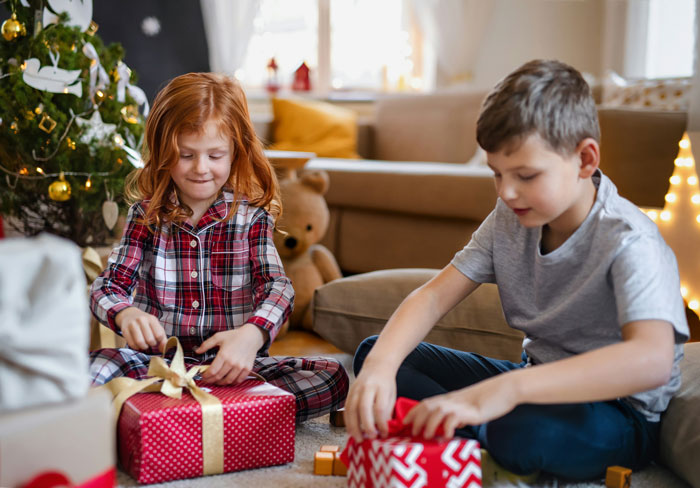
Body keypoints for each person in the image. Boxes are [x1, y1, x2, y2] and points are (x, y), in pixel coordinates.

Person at [345, 59, 689, 480]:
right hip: (531, 381)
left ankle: (460, 429)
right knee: (377, 353)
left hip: (617, 414)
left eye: (526, 175)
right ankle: (461, 429)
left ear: (584, 159)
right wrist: (381, 369)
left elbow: (650, 359)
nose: (507, 192)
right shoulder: (510, 217)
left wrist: (503, 391)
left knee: (519, 430)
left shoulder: (630, 239)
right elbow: (434, 295)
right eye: (496, 174)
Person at [89, 72, 348, 422]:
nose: (201, 168)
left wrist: (251, 335)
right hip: (157, 368)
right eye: (186, 154)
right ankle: (224, 417)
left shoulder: (251, 218)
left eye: (215, 155)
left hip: (235, 370)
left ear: (235, 153)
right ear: (164, 152)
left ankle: (179, 416)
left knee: (330, 378)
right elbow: (107, 286)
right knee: (91, 370)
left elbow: (279, 289)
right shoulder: (145, 216)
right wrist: (125, 313)